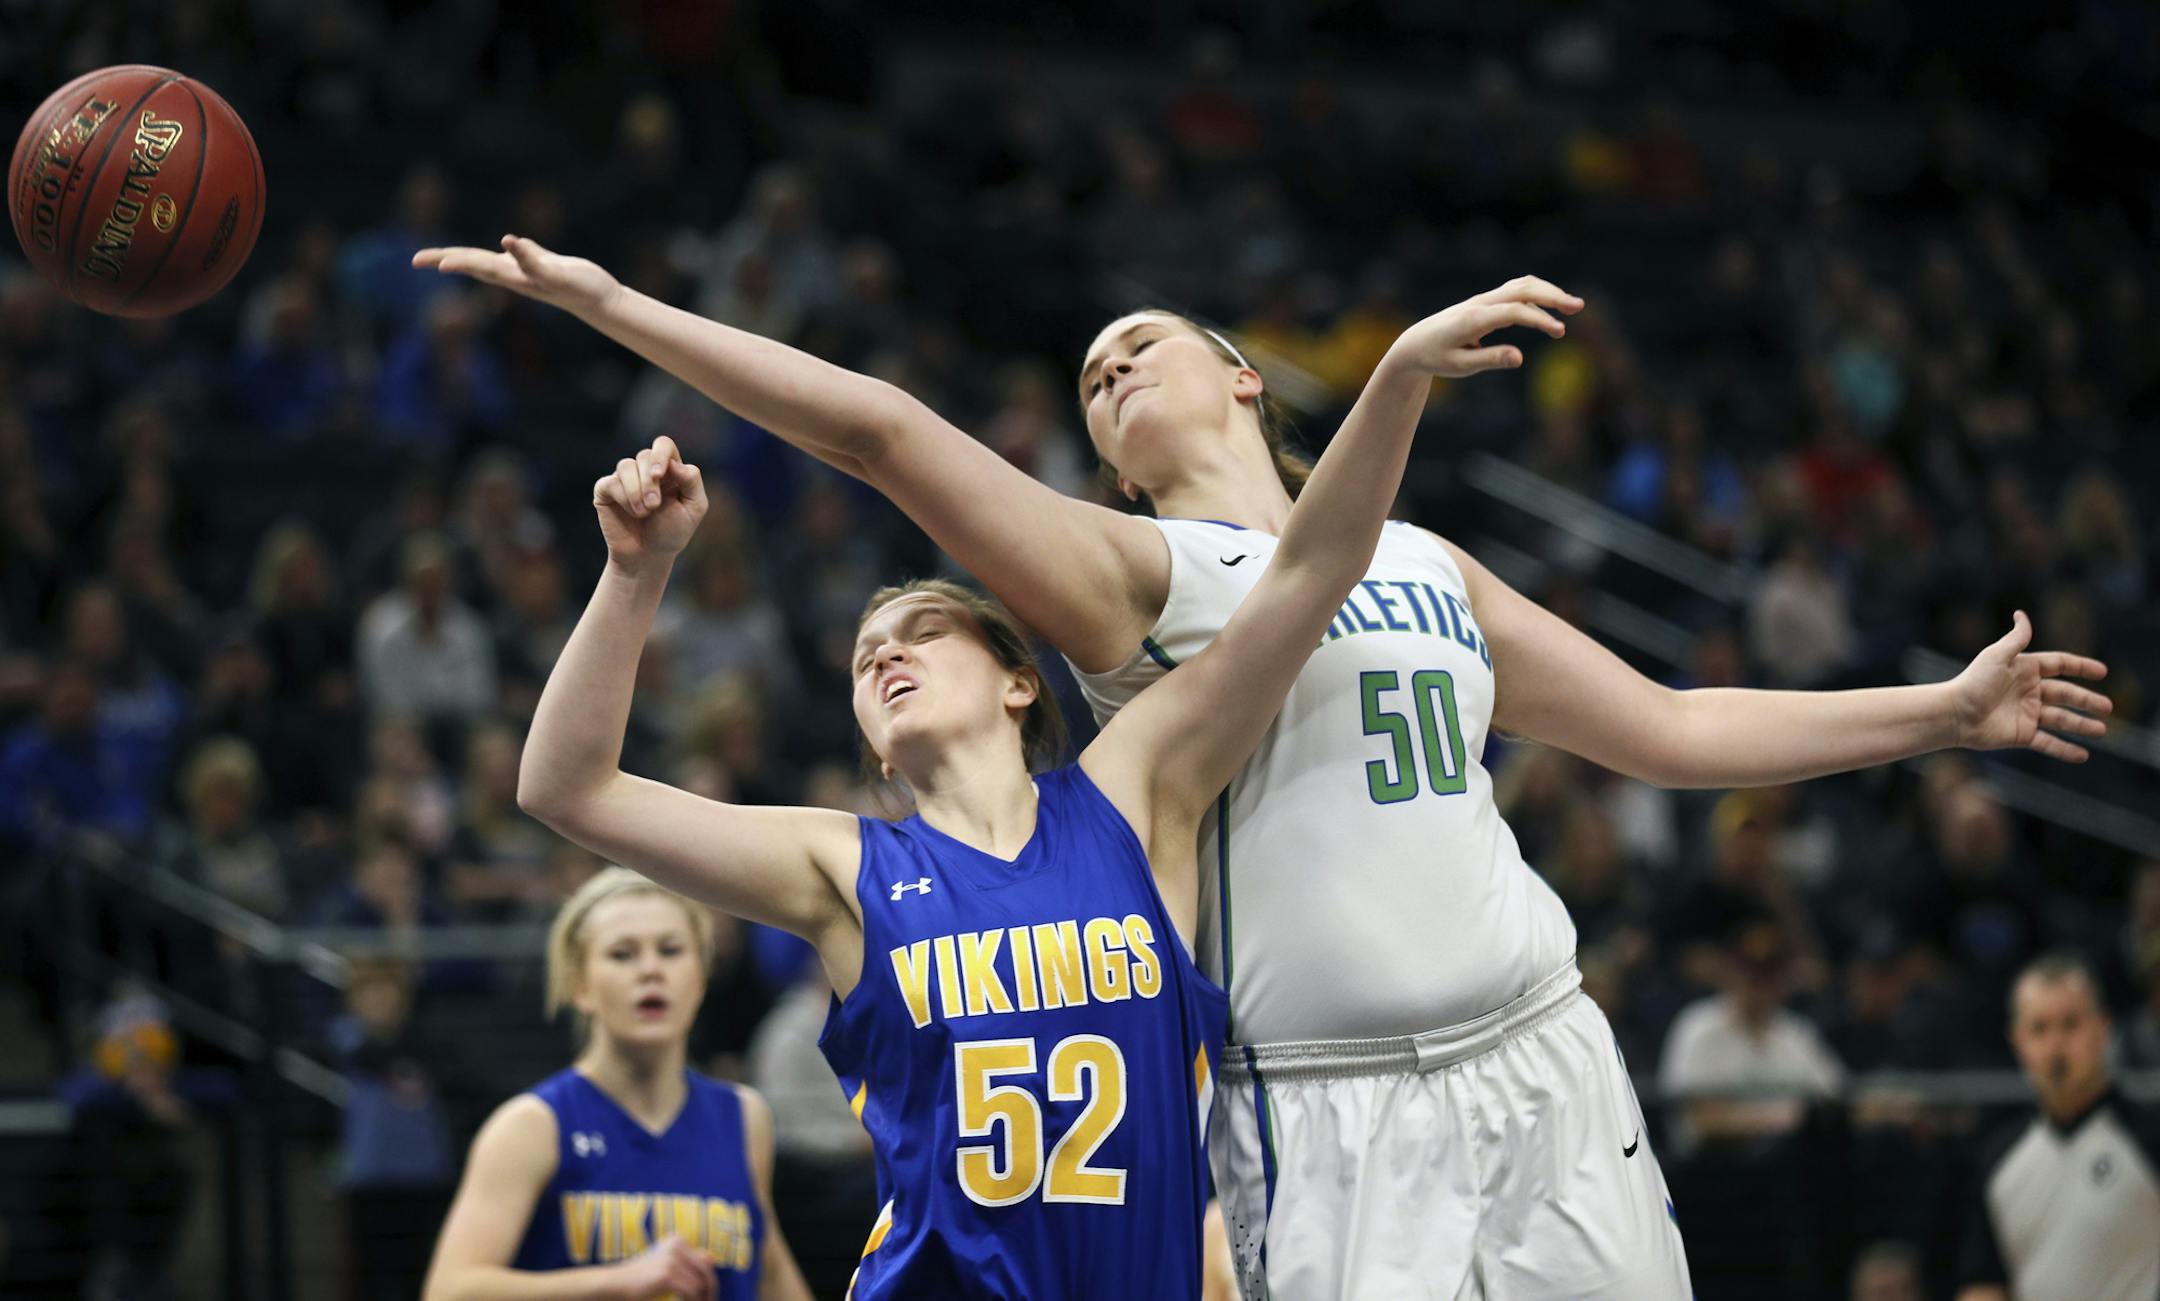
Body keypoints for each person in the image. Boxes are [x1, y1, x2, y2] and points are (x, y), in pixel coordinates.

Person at [417, 233, 2110, 1297]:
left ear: (1236, 371)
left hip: (1548, 1053)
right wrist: (613, 303)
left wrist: (1937, 716)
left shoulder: (1430, 563)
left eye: (1135, 345)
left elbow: (1669, 731)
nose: (1105, 373)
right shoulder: (1134, 587)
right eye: (1085, 382)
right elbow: (877, 429)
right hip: (1330, 1106)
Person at [496, 290, 1488, 1298]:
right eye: (863, 659)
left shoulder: (1134, 791)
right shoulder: (844, 863)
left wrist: (1394, 380)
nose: (886, 656)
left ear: (1020, 681)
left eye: (922, 631)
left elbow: (1310, 572)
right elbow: (566, 786)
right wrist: (636, 571)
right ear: (876, 751)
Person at [423, 867, 812, 1301]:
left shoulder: (745, 1117)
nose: (650, 970)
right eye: (623, 954)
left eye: (670, 950)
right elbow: (449, 1290)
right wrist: (619, 1281)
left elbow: (772, 1277)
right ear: (580, 986)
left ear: (700, 979)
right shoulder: (532, 1127)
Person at [1956, 954, 2160, 1301]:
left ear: (2102, 1029)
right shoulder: (1997, 1157)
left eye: (2070, 1024)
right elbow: (1983, 1283)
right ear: (2017, 1041)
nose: (2056, 1046)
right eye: (2040, 1029)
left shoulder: (2150, 1138)